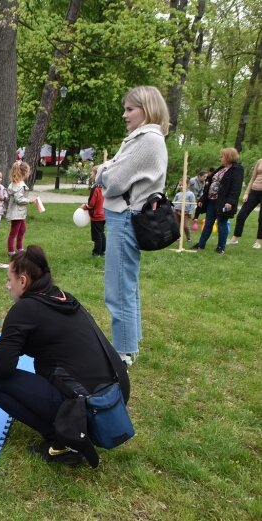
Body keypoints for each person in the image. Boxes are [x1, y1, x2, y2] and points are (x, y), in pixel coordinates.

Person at [0, 246, 130, 467]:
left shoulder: (24, 310)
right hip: (117, 394)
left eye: (9, 279)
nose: (7, 285)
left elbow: (1, 367)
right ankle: (70, 427)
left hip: (89, 409)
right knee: (43, 365)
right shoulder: (64, 298)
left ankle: (64, 441)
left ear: (23, 281)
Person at [95, 85, 169, 366]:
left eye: (130, 109)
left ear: (146, 109)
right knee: (127, 285)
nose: (124, 115)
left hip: (125, 217)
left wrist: (103, 171)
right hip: (125, 216)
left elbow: (112, 180)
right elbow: (112, 170)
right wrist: (107, 170)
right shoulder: (140, 138)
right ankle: (129, 344)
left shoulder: (147, 139)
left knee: (118, 288)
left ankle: (123, 353)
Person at [192, 148, 243, 254]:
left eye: (222, 156)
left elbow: (236, 188)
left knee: (222, 223)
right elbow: (210, 183)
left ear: (229, 157)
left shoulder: (237, 170)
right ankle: (201, 244)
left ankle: (221, 247)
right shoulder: (221, 168)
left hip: (223, 202)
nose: (221, 158)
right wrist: (203, 198)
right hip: (211, 200)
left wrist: (230, 201)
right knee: (208, 223)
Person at [227, 158, 262, 249]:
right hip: (254, 191)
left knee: (261, 219)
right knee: (241, 215)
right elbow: (253, 178)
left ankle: (258, 241)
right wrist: (246, 193)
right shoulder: (260, 161)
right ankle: (235, 239)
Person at [5, 160, 31, 257]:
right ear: (24, 172)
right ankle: (11, 251)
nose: (29, 173)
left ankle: (20, 248)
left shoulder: (16, 183)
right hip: (16, 213)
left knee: (22, 229)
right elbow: (19, 199)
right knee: (14, 231)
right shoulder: (20, 185)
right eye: (28, 171)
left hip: (19, 213)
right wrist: (29, 200)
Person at [82, 165, 106, 255]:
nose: (91, 175)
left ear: (97, 175)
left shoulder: (95, 188)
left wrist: (85, 207)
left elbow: (92, 204)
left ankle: (97, 252)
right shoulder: (104, 187)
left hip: (96, 215)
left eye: (92, 173)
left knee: (97, 236)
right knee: (101, 233)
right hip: (104, 215)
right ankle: (103, 250)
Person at [172, 176, 196, 242]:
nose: (181, 186)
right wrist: (173, 209)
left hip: (185, 212)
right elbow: (174, 202)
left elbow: (192, 204)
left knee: (185, 226)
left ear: (188, 185)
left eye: (183, 185)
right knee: (177, 225)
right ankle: (178, 237)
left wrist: (190, 212)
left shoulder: (190, 194)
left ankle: (188, 238)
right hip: (176, 211)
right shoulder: (178, 194)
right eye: (180, 185)